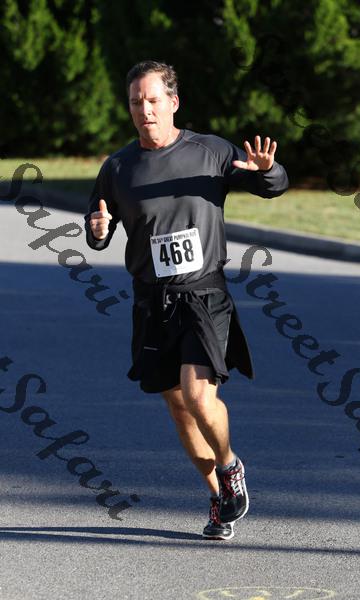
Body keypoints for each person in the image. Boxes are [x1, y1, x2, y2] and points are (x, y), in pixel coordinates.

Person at [85, 60, 289, 540]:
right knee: (179, 408)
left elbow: (271, 185)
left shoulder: (209, 151)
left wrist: (269, 170)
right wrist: (97, 231)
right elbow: (98, 227)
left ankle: (230, 465)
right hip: (151, 302)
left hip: (203, 294)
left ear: (173, 102)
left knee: (198, 395)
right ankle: (219, 496)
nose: (145, 110)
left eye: (153, 100)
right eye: (136, 102)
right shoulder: (118, 167)